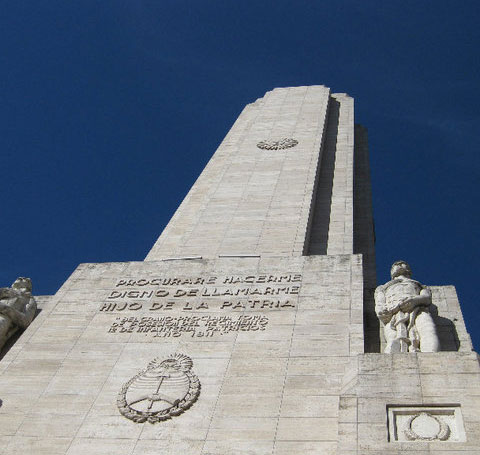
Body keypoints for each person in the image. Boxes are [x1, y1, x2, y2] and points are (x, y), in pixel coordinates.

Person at [374, 261, 440, 353]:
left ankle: (432, 358)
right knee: (392, 338)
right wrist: (382, 311)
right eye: (395, 265)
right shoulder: (382, 288)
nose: (399, 266)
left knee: (428, 330)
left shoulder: (420, 286)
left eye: (402, 264)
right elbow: (379, 304)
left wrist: (415, 301)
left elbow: (426, 298)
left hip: (418, 310)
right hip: (393, 314)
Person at [0, 277, 37, 350]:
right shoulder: (4, 291)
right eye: (19, 278)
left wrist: (5, 308)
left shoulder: (29, 299)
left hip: (4, 319)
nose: (20, 278)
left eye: (25, 279)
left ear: (28, 285)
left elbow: (26, 321)